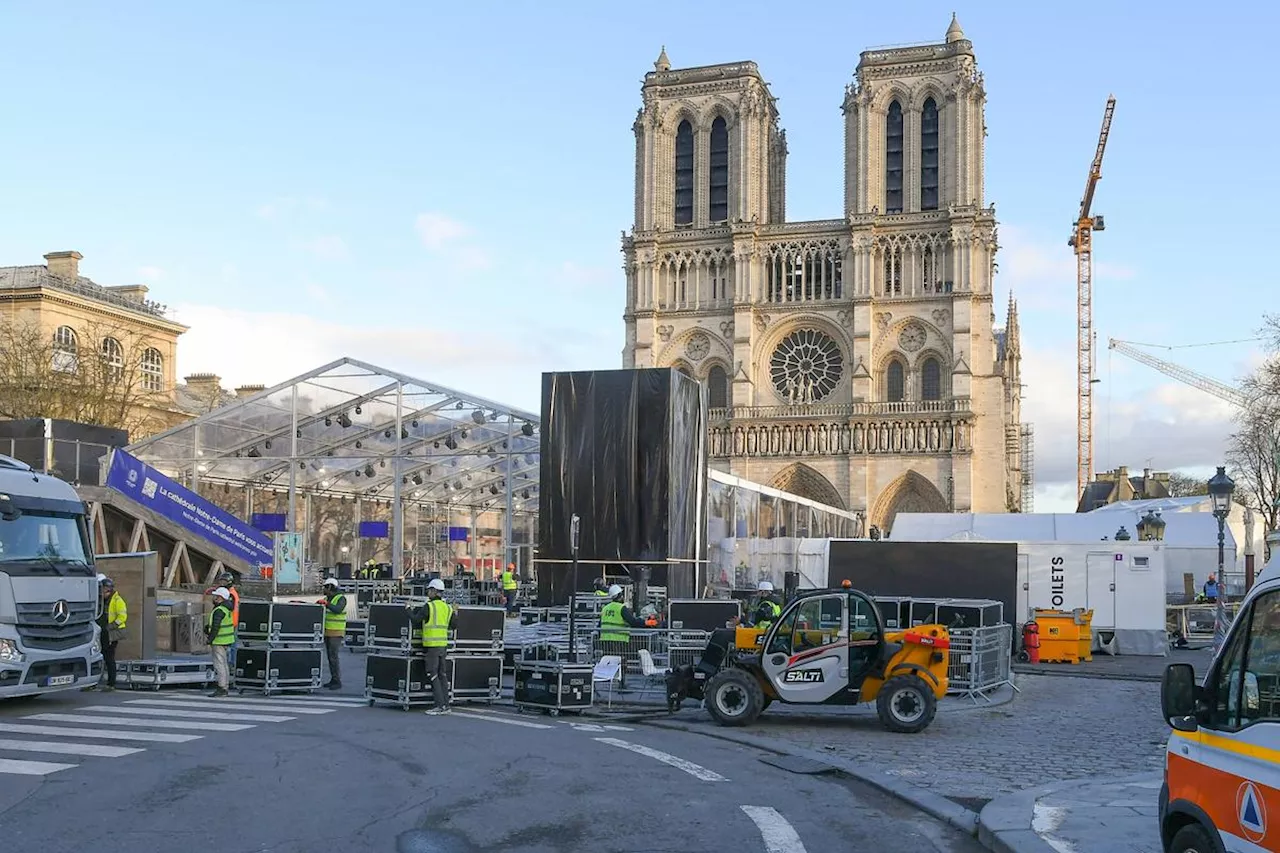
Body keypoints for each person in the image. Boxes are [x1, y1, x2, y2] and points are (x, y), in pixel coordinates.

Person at [407, 579, 455, 715]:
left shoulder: (429, 606)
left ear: (434, 591)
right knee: (442, 675)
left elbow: (416, 619)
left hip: (431, 647)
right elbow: (454, 625)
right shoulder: (448, 607)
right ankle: (446, 705)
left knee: (433, 675)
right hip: (443, 646)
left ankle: (440, 706)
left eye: (429, 590)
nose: (428, 592)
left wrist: (408, 610)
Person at [89, 577, 127, 692]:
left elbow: (122, 617)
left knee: (109, 658)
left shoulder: (117, 601)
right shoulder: (100, 601)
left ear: (108, 590)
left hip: (111, 633)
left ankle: (111, 683)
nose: (101, 593)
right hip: (100, 632)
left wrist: (111, 626)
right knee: (95, 657)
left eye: (103, 590)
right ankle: (92, 682)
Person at [599, 584, 646, 660]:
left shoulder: (605, 608)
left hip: (605, 642)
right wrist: (645, 623)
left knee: (608, 661)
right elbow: (633, 622)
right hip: (619, 641)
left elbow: (600, 624)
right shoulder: (621, 608)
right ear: (620, 596)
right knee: (620, 662)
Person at [206, 587, 236, 697]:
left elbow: (216, 627)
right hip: (226, 641)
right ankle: (225, 686)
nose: (214, 598)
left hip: (219, 641)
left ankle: (222, 687)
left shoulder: (219, 610)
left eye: (216, 596)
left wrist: (210, 639)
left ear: (221, 598)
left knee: (219, 665)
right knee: (224, 664)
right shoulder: (226, 609)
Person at [320, 578, 347, 690]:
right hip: (327, 631)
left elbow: (338, 610)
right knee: (330, 657)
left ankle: (337, 681)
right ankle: (333, 679)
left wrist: (327, 604)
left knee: (333, 657)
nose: (324, 589)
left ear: (331, 587)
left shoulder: (341, 598)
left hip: (336, 632)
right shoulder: (326, 598)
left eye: (326, 587)